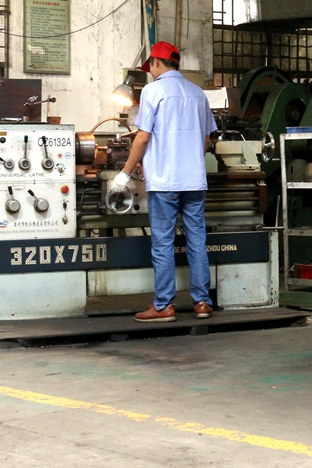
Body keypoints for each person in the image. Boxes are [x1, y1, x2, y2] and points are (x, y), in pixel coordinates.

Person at [111, 41, 218, 323]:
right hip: (194, 181)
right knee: (197, 240)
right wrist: (187, 161)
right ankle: (202, 303)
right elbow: (206, 140)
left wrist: (125, 173)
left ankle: (163, 306)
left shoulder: (153, 91)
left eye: (151, 67)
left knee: (163, 243)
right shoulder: (198, 93)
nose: (151, 71)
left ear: (157, 63)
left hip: (164, 183)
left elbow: (143, 137)